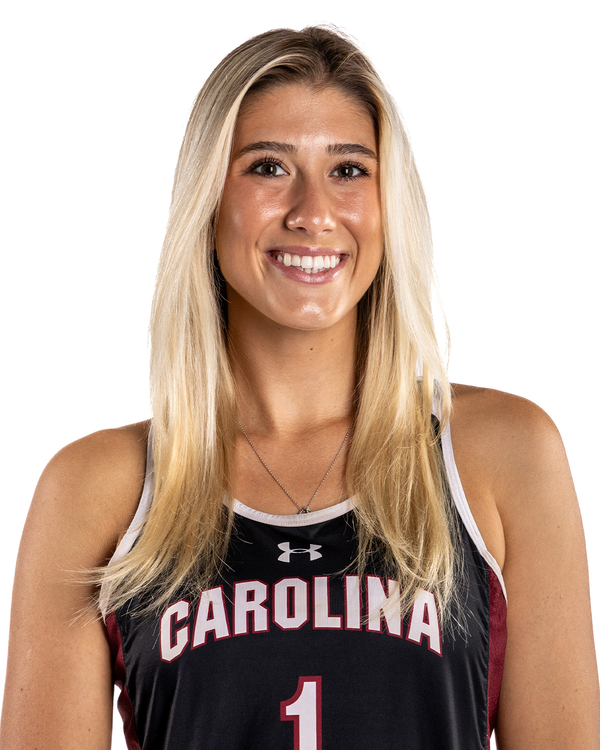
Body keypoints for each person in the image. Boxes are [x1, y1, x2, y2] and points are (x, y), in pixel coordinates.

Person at [1, 25, 598, 750]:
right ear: (208, 202)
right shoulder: (97, 490)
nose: (314, 213)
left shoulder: (503, 456)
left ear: (388, 203)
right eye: (268, 167)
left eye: (349, 170)